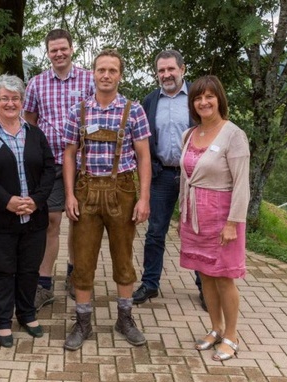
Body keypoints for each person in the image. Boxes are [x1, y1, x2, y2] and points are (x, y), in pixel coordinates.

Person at [62, 49, 151, 350]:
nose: (106, 75)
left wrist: (144, 198)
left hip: (123, 191)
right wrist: (69, 194)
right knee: (83, 260)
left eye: (112, 70)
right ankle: (83, 322)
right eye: (101, 69)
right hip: (86, 191)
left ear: (120, 75)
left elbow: (143, 156)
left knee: (124, 258)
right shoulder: (79, 110)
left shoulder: (133, 109)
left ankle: (124, 318)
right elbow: (69, 154)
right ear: (94, 72)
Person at [0, 74, 55, 348]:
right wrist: (7, 200)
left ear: (22, 101)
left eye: (15, 98)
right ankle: (2, 320)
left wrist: (37, 200)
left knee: (29, 268)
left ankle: (27, 313)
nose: (9, 103)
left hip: (34, 217)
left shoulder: (35, 134)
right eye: (3, 98)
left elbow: (49, 169)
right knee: (3, 269)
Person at [179, 75, 250, 361]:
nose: (203, 102)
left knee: (224, 277)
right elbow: (185, 179)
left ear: (219, 98)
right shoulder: (190, 134)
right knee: (205, 275)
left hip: (222, 216)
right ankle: (215, 328)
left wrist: (233, 222)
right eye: (198, 98)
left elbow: (242, 183)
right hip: (194, 216)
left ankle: (231, 336)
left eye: (209, 96)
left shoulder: (233, 134)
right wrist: (182, 216)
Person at [24, 28, 94, 309]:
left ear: (72, 48)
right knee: (51, 222)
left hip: (85, 165)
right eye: (53, 50)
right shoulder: (37, 84)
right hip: (50, 164)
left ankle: (74, 275)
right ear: (48, 52)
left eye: (63, 48)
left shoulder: (89, 80)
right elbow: (29, 121)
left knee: (80, 222)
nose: (59, 53)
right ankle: (44, 283)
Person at [133, 50, 205, 309]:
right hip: (162, 174)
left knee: (196, 232)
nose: (166, 75)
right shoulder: (150, 101)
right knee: (155, 232)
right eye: (161, 71)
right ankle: (150, 284)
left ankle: (204, 287)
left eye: (171, 69)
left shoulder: (197, 99)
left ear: (182, 69)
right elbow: (141, 140)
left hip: (194, 176)